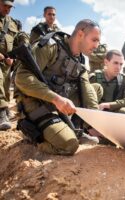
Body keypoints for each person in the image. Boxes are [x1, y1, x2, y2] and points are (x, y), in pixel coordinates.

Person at [15, 19, 101, 155]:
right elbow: (21, 77)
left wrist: (97, 122)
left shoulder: (80, 59)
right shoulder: (50, 46)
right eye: (94, 40)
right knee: (70, 145)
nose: (97, 45)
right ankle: (33, 136)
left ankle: (76, 129)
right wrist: (55, 98)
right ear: (81, 33)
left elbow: (87, 90)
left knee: (96, 88)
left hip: (58, 104)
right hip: (37, 105)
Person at [90, 49, 125, 114]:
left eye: (121, 64)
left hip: (115, 112)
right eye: (115, 63)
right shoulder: (94, 77)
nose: (118, 67)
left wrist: (108, 105)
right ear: (106, 62)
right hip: (97, 111)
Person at [0, 0, 20, 130]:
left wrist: (13, 57)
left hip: (7, 62)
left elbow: (16, 42)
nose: (8, 9)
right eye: (5, 5)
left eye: (10, 7)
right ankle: (1, 113)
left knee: (6, 85)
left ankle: (5, 110)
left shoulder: (13, 23)